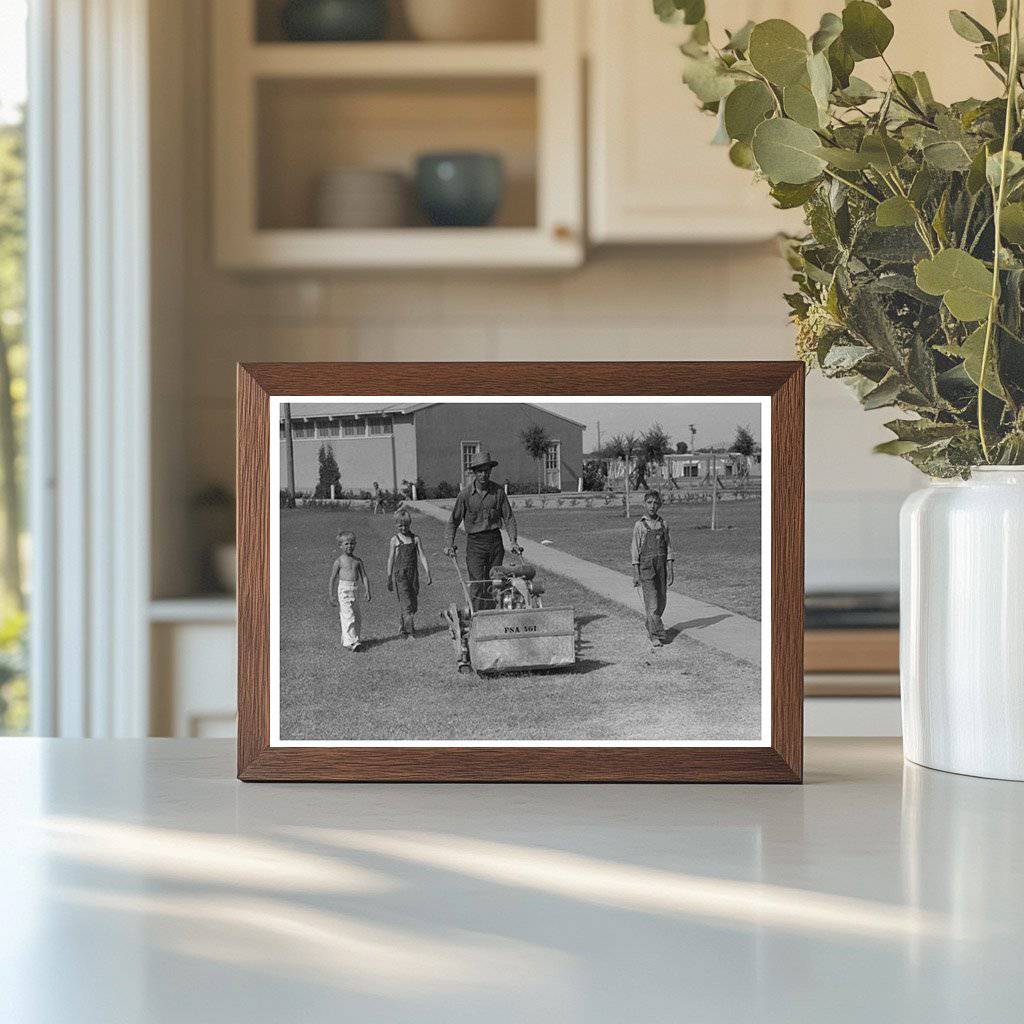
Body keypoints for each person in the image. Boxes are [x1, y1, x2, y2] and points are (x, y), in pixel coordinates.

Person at [443, 452, 522, 610]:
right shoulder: (465, 495)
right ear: (474, 472)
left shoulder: (498, 492)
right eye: (480, 471)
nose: (483, 474)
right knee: (478, 582)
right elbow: (453, 522)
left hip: (494, 542)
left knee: (496, 582)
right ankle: (477, 619)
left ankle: (494, 618)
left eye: (486, 470)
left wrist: (513, 541)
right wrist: (448, 544)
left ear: (490, 471)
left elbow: (508, 517)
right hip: (475, 544)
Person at [631, 490, 675, 646]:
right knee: (652, 602)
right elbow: (635, 550)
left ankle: (650, 623)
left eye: (655, 503)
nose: (652, 506)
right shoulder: (639, 526)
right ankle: (655, 634)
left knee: (662, 601)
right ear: (644, 504)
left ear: (660, 505)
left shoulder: (664, 524)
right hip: (646, 567)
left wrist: (670, 569)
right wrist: (636, 573)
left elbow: (669, 547)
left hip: (661, 567)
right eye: (649, 502)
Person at [386, 509, 431, 639]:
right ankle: (410, 632)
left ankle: (403, 626)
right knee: (407, 605)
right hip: (400, 575)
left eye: (406, 525)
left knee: (413, 604)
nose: (403, 528)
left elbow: (422, 555)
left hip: (413, 575)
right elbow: (391, 559)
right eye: (400, 525)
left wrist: (428, 572)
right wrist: (389, 577)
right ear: (396, 525)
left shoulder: (415, 539)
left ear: (410, 524)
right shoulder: (394, 540)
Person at [329, 530, 371, 651]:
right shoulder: (339, 561)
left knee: (356, 616)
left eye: (352, 543)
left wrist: (367, 590)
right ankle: (352, 642)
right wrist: (331, 595)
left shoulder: (357, 561)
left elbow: (364, 576)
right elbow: (332, 578)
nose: (349, 546)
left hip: (355, 589)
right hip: (344, 590)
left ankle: (349, 638)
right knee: (348, 615)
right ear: (340, 546)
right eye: (346, 544)